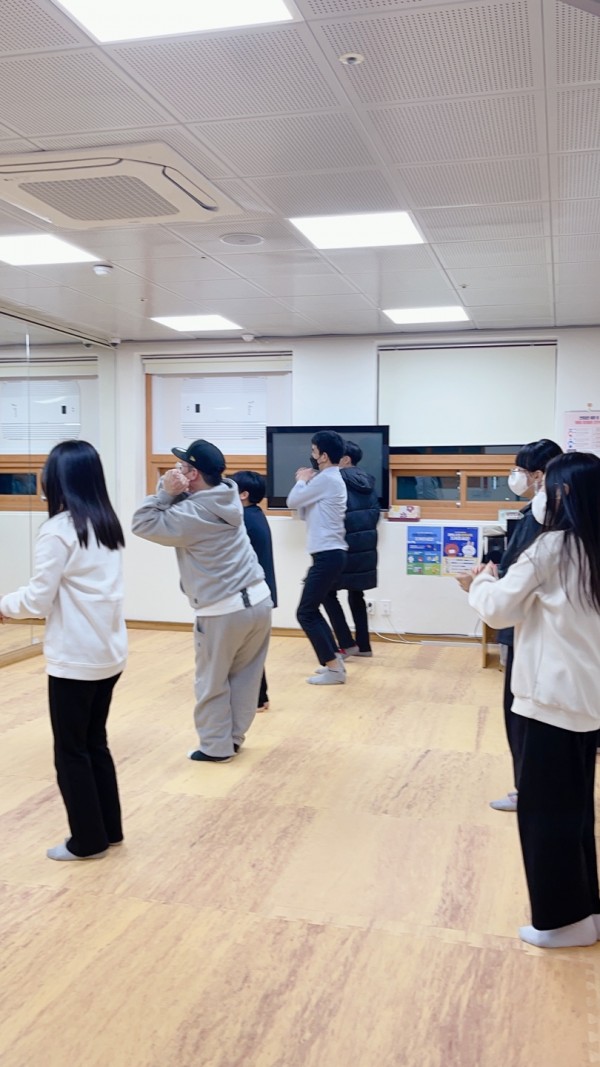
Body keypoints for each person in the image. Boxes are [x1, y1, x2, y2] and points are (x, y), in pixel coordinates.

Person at [466, 451, 600, 948]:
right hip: (587, 700)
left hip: (549, 701)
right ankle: (587, 911)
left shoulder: (553, 548)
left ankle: (562, 922)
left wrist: (478, 581)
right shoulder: (593, 545)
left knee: (545, 815)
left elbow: (499, 610)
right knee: (576, 811)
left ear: (561, 493)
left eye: (547, 486)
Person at [0, 440, 127, 861]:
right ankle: (109, 831)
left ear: (57, 479)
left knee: (71, 751)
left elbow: (38, 599)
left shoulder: (58, 530)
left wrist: (4, 606)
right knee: (95, 743)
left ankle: (87, 841)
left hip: (76, 657)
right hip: (108, 652)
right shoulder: (105, 524)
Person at [132, 439, 272, 762]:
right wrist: (175, 490)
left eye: (181, 467)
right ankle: (233, 739)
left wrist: (165, 492)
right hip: (259, 600)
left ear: (193, 474)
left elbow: (142, 523)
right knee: (246, 678)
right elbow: (189, 501)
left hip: (223, 610)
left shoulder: (191, 513)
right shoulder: (228, 494)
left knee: (211, 681)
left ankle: (215, 747)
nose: (174, 470)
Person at [484, 438, 562, 812]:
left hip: (526, 626)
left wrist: (484, 583)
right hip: (539, 629)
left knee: (520, 712)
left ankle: (526, 789)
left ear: (539, 475)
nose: (515, 476)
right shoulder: (553, 514)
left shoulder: (544, 517)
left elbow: (518, 578)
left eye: (520, 470)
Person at [286, 430, 348, 685]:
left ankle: (334, 670)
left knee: (305, 613)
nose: (311, 455)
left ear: (323, 456)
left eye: (313, 451)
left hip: (328, 554)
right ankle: (335, 662)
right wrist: (305, 485)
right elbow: (303, 512)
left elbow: (292, 500)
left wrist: (301, 480)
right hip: (328, 554)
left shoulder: (328, 479)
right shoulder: (327, 480)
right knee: (312, 610)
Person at [322, 440, 379, 657]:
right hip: (365, 548)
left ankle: (346, 642)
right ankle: (364, 646)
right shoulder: (367, 482)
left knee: (326, 593)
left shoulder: (336, 481)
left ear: (345, 459)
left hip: (342, 547)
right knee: (357, 594)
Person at [230, 470, 277, 711]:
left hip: (251, 594)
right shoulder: (255, 514)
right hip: (260, 592)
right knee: (250, 648)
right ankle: (260, 697)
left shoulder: (244, 520)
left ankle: (257, 698)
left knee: (245, 649)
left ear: (244, 494)